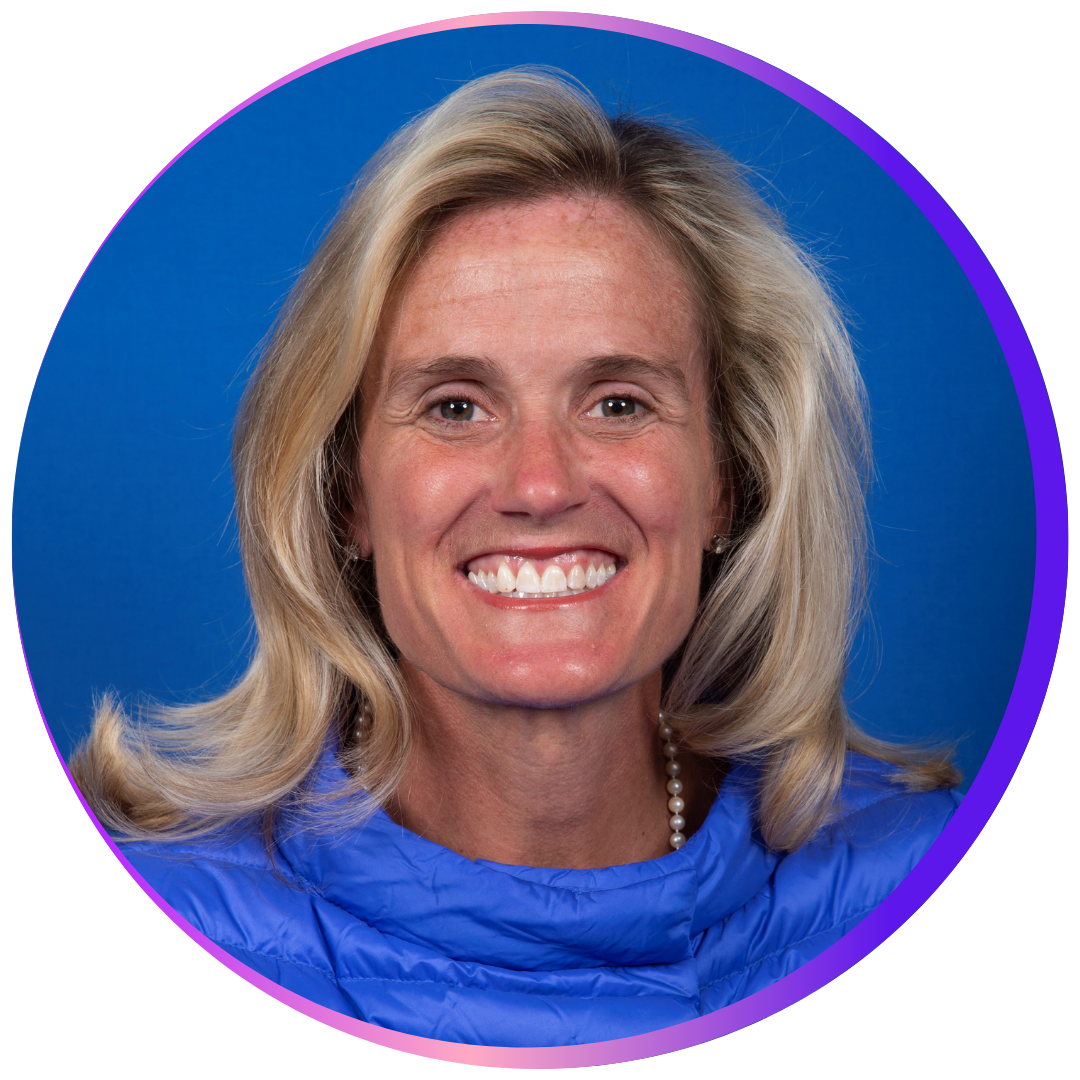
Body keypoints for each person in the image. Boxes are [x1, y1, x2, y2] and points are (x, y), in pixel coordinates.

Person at [71, 68, 960, 1047]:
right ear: (347, 496)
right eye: (455, 406)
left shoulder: (918, 875)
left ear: (729, 478)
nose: (540, 485)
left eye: (617, 403)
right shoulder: (175, 907)